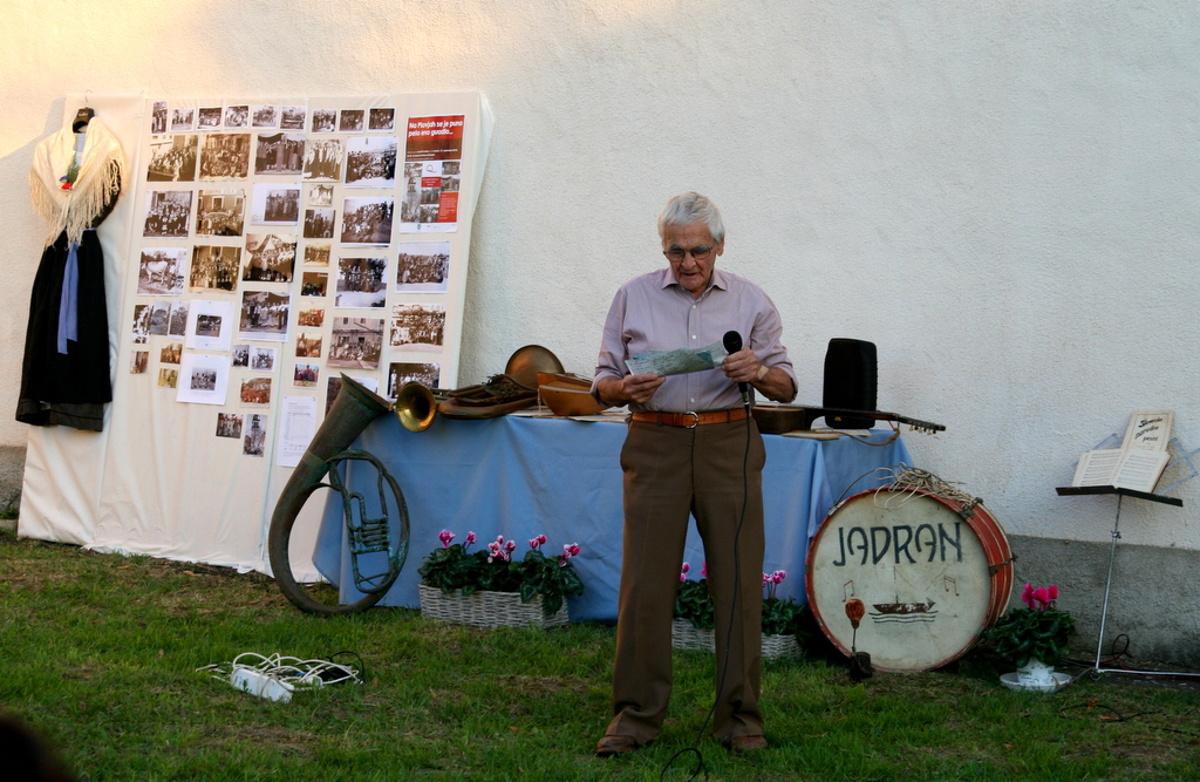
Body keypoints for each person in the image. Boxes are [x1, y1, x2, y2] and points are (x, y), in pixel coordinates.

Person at [591, 191, 797, 756]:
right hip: (654, 440)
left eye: (698, 251)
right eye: (676, 251)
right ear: (664, 248)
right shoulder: (631, 297)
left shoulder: (752, 302)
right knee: (645, 586)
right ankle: (634, 718)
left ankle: (740, 719)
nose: (687, 263)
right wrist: (620, 389)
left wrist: (757, 369)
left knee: (736, 583)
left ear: (720, 246)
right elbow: (602, 382)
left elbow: (786, 385)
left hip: (728, 441)